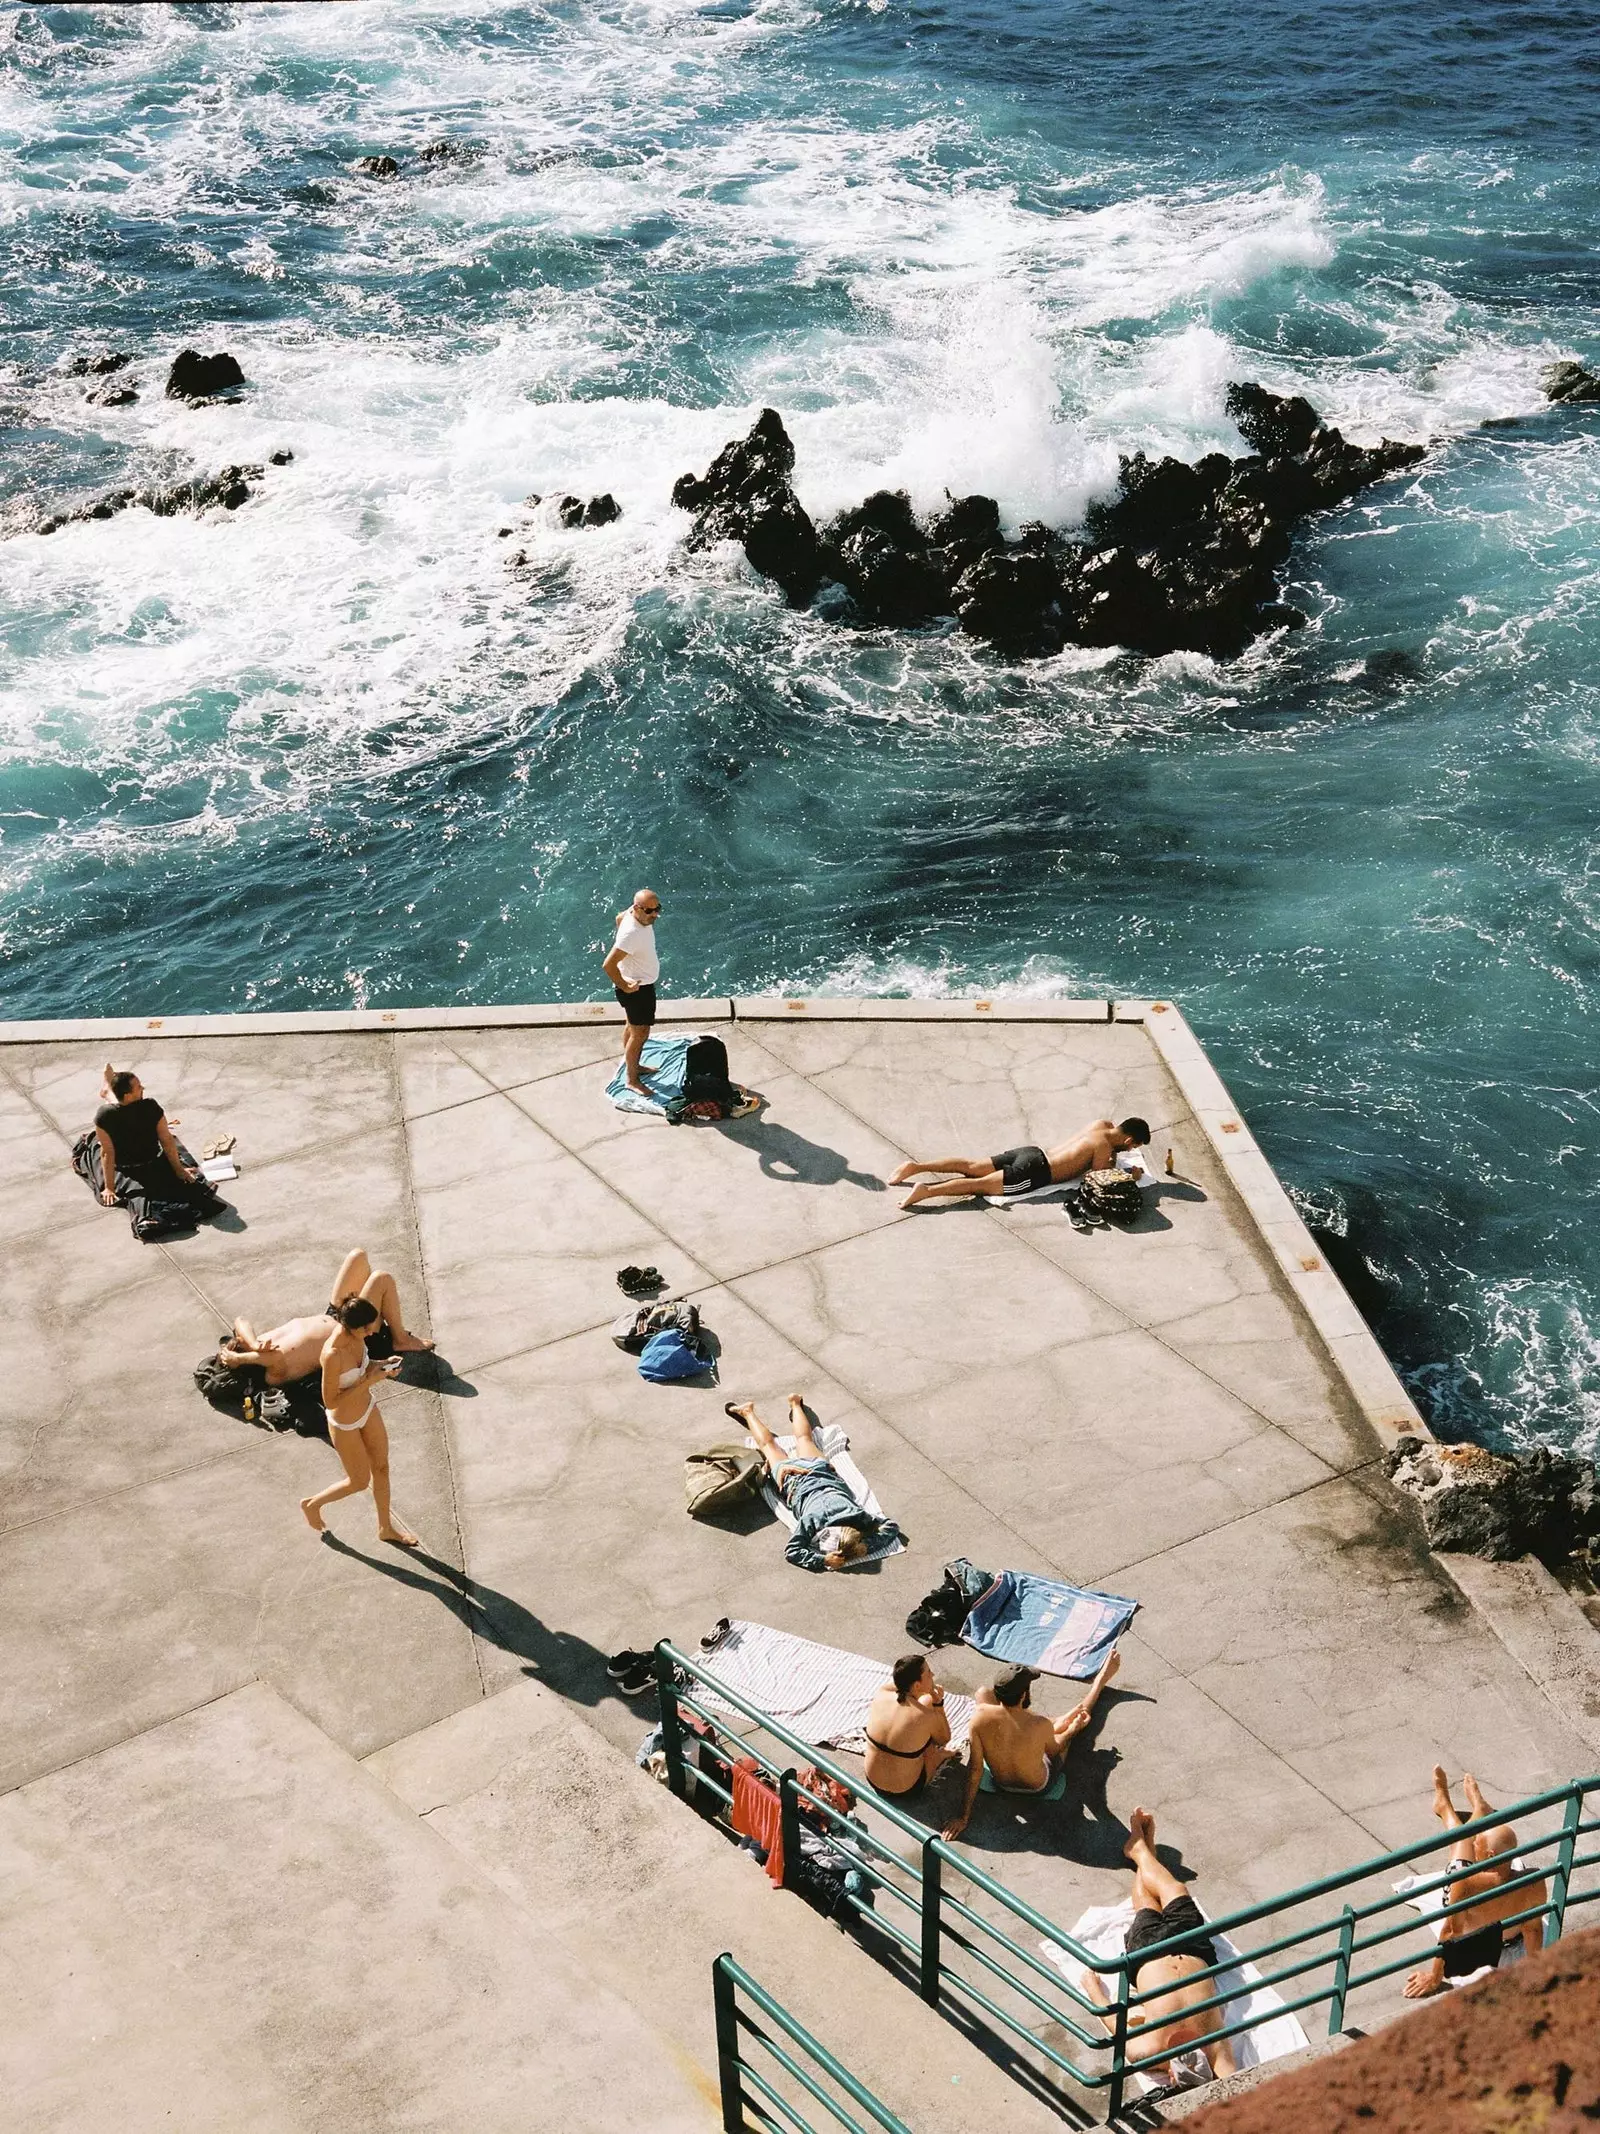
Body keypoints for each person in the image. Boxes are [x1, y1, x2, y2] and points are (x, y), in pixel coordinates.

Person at [1080, 1809, 1239, 2085]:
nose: (1190, 2056)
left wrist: (1095, 1992)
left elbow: (1118, 2027)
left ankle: (1141, 1850)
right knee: (1175, 1888)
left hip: (1148, 1955)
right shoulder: (1217, 2054)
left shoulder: (1149, 2051)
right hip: (1192, 1947)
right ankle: (1142, 1852)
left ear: (1169, 2075)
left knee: (1145, 1906)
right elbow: (1238, 2086)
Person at [942, 1650, 1120, 1839]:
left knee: (982, 1694)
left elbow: (975, 1769)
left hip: (1001, 1783)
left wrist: (963, 1816)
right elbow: (1055, 1749)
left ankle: (1066, 1717)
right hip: (1038, 1785)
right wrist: (1073, 1730)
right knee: (1065, 1730)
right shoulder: (1038, 1724)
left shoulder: (978, 1718)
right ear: (1024, 1694)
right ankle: (1099, 1683)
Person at [1403, 1768, 1547, 1997]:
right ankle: (1477, 1808)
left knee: (1461, 1839)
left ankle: (1448, 1807)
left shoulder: (1465, 1883)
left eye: (1478, 1840)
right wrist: (1533, 1975)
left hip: (1478, 1939)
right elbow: (1533, 1931)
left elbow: (1450, 1933)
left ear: (1489, 1855)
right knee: (1467, 1842)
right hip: (1509, 1942)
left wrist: (1434, 1979)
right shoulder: (1533, 1882)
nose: (1476, 1841)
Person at [725, 1394, 902, 1572]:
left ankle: (795, 1403)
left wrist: (860, 1547)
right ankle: (748, 1412)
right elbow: (792, 1552)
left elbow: (891, 1527)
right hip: (791, 1479)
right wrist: (823, 1559)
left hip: (817, 1469)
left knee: (804, 1438)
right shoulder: (813, 1520)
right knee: (768, 1445)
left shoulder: (855, 1514)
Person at [300, 1294, 419, 1546]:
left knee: (382, 1468)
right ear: (351, 1327)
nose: (371, 1332)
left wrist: (382, 1365)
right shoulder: (332, 1354)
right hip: (344, 1423)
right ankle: (312, 1504)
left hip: (367, 1408)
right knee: (359, 1481)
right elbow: (331, 1400)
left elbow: (364, 1368)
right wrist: (369, 1381)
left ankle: (385, 1528)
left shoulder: (357, 1339)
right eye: (366, 1328)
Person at [220, 1247, 433, 1386]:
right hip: (356, 1334)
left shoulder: (259, 1346)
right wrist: (239, 1359)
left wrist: (253, 1343)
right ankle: (400, 1339)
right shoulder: (273, 1374)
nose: (240, 1342)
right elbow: (273, 1358)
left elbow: (240, 1321)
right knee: (381, 1279)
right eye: (240, 1348)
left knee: (357, 1256)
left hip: (335, 1315)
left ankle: (379, 1309)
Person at [890, 1117, 1151, 1210]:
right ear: (1129, 1139)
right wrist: (1133, 1177)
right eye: (1133, 1146)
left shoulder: (1102, 1126)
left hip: (1030, 1153)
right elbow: (1098, 1178)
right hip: (1036, 1173)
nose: (1131, 1150)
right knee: (979, 1185)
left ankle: (916, 1166)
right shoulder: (1104, 1148)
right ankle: (928, 1191)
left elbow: (1103, 1147)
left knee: (971, 1165)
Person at [90, 1066, 225, 1221]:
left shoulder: (146, 1107)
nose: (143, 1088)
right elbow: (107, 1152)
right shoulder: (108, 1114)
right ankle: (107, 1089)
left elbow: (166, 1140)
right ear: (128, 1095)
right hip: (124, 1167)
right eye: (139, 1087)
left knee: (115, 1109)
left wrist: (179, 1170)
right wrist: (109, 1188)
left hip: (150, 1157)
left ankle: (108, 1088)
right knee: (97, 1139)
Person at [864, 1655, 956, 1799]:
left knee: (923, 1703)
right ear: (917, 1685)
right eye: (928, 1673)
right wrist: (938, 1704)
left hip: (872, 1780)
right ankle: (940, 1757)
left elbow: (901, 1685)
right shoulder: (925, 1716)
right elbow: (944, 1739)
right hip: (907, 1789)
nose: (933, 1675)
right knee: (930, 1745)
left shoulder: (882, 1692)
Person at [601, 887, 662, 1094]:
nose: (655, 915)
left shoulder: (630, 914)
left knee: (632, 1027)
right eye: (649, 911)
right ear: (638, 908)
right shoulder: (631, 934)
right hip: (638, 990)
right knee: (640, 1033)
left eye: (657, 909)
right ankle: (632, 1080)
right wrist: (626, 987)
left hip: (639, 985)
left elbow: (619, 917)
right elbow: (608, 965)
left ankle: (633, 1066)